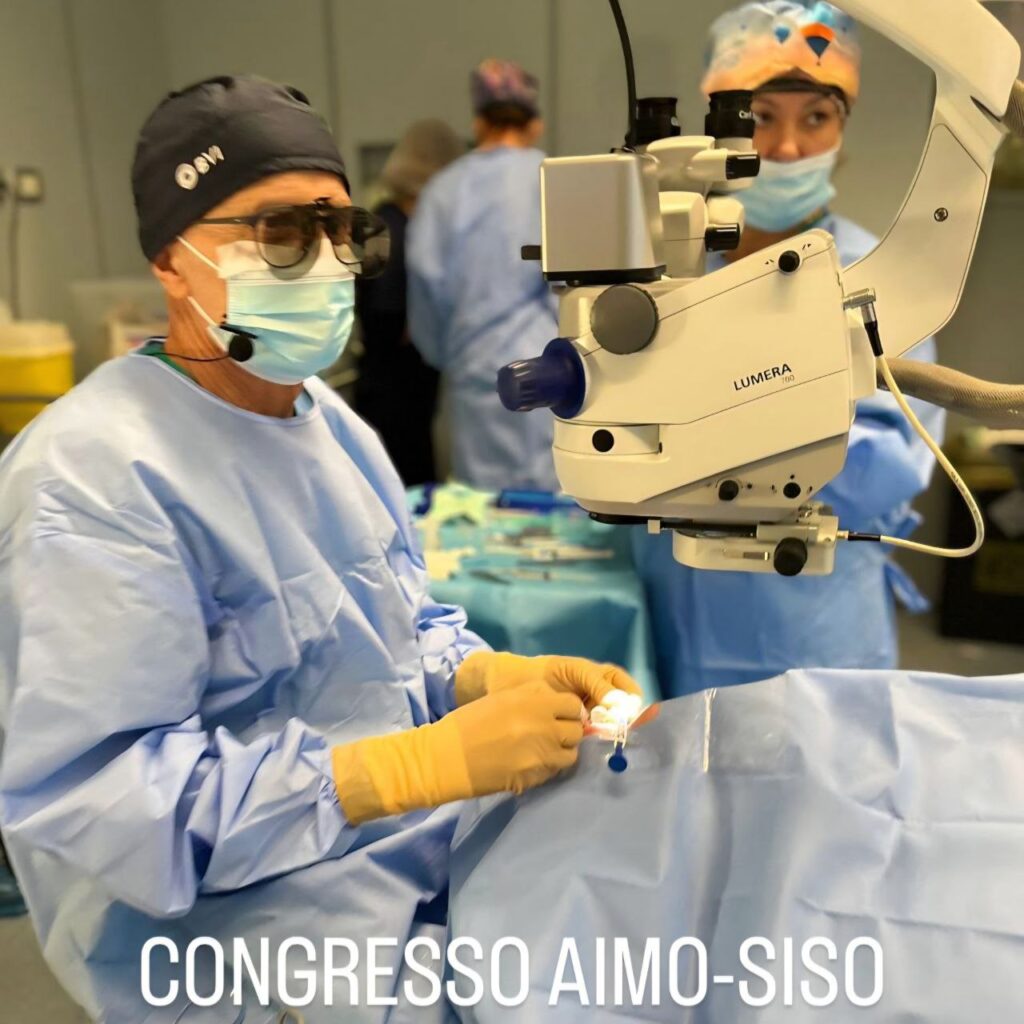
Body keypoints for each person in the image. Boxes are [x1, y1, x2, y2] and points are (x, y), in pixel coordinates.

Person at [0, 76, 641, 1022]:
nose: (328, 262)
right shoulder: (93, 479)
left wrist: (481, 677)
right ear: (172, 260)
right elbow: (110, 809)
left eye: (340, 229)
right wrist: (405, 769)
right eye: (282, 233)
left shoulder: (327, 425)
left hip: (395, 859)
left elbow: (396, 633)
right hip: (233, 941)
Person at [632, 0, 947, 694]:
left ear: (842, 129)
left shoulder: (876, 276)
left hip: (812, 613)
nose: (785, 147)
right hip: (674, 600)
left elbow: (892, 464)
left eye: (815, 118)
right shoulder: (667, 268)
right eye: (759, 117)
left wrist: (736, 422)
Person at [407, 58, 559, 492]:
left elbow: (426, 282)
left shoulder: (443, 191)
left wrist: (452, 354)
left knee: (483, 511)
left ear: (478, 123)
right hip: (552, 372)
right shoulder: (556, 179)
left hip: (473, 375)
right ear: (535, 125)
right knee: (560, 507)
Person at [354, 119, 464, 485]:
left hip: (402, 389)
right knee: (404, 480)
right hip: (394, 392)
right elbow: (385, 318)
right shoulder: (394, 231)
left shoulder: (390, 223)